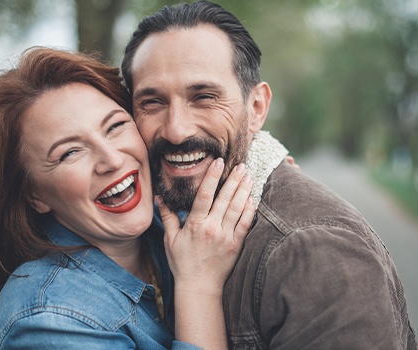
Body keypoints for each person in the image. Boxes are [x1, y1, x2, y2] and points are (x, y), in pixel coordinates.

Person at [121, 1, 417, 349]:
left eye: (203, 97)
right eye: (152, 103)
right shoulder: (154, 219)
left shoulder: (315, 252)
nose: (176, 130)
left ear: (256, 108)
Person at [0, 47, 257, 349]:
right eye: (70, 152)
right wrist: (198, 287)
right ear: (34, 195)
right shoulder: (47, 321)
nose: (112, 159)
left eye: (116, 126)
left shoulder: (167, 217)